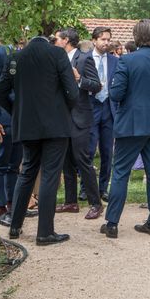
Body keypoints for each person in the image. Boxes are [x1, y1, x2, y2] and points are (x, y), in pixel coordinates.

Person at [0, 36, 78, 246]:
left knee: (27, 173)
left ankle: (15, 226)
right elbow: (72, 91)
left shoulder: (16, 57)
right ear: (48, 42)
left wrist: (16, 112)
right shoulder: (58, 54)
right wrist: (65, 110)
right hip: (56, 125)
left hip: (27, 125)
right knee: (50, 175)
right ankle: (45, 232)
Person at [100, 19, 150, 239]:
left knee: (121, 173)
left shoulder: (127, 60)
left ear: (136, 37)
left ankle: (112, 223)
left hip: (131, 124)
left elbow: (116, 94)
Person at [53, 28, 104, 220]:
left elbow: (96, 85)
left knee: (83, 161)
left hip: (80, 117)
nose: (54, 42)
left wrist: (79, 79)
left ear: (66, 40)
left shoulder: (84, 59)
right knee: (66, 161)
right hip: (62, 118)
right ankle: (71, 202)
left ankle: (96, 203)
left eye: (56, 39)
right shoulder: (59, 59)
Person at [0, 44, 23, 226]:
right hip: (2, 118)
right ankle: (0, 210)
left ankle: (13, 206)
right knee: (0, 164)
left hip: (18, 118)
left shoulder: (19, 51)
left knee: (14, 165)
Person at [84, 27, 118, 202]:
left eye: (108, 39)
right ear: (94, 40)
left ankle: (103, 188)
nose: (106, 42)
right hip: (90, 107)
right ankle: (86, 188)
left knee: (107, 152)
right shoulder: (84, 59)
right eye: (103, 39)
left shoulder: (115, 61)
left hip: (108, 109)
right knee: (88, 150)